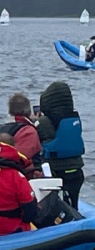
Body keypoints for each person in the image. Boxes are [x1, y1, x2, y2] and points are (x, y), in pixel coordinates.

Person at [36, 81, 85, 210]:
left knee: (53, 206)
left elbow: (37, 138)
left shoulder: (44, 121)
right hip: (76, 169)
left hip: (56, 170)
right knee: (73, 204)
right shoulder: (74, 118)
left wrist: (35, 121)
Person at [0, 93, 42, 176]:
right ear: (28, 110)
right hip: (22, 175)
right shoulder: (28, 131)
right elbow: (23, 159)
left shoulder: (0, 128)